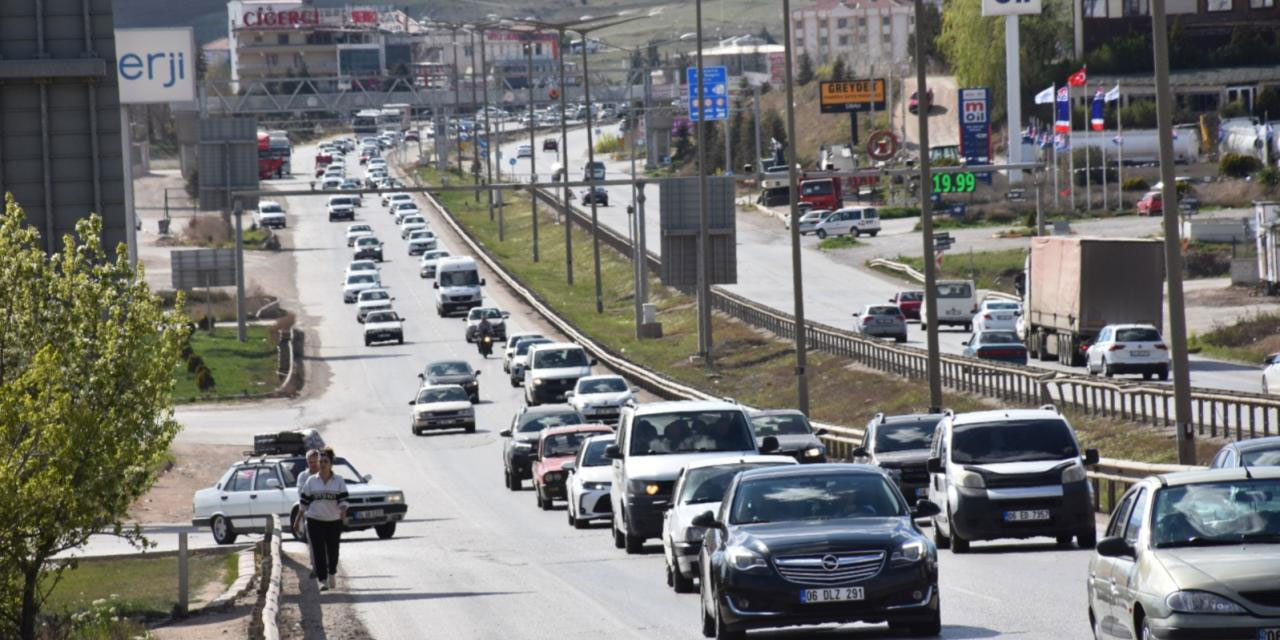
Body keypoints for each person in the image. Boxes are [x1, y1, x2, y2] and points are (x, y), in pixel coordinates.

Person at [299, 447, 349, 591]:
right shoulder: (311, 481)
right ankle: (323, 580)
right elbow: (304, 503)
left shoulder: (338, 481)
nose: (322, 464)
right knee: (318, 550)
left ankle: (332, 572)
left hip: (333, 521)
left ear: (331, 463)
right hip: (315, 520)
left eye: (325, 461)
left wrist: (343, 510)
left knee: (333, 550)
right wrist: (298, 521)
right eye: (321, 461)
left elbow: (343, 500)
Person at [293, 450, 320, 577]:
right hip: (311, 515)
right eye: (310, 462)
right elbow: (302, 494)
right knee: (313, 544)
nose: (312, 464)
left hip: (328, 515)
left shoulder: (326, 475)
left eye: (314, 462)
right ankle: (316, 568)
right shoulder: (303, 476)